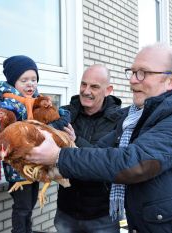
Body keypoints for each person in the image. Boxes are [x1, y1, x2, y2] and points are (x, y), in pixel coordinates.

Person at [26, 43, 172, 232]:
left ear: (171, 81)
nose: (132, 79)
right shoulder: (134, 118)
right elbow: (100, 152)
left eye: (143, 73)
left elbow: (135, 162)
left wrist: (60, 156)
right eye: (132, 72)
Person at [0, 55, 70, 233]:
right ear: (13, 82)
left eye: (34, 79)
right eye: (24, 80)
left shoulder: (37, 101)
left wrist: (58, 121)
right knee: (22, 208)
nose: (30, 84)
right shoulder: (9, 102)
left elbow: (61, 114)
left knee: (30, 206)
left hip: (37, 163)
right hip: (19, 166)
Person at [55, 64, 123, 232]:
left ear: (108, 90)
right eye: (83, 84)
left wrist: (75, 140)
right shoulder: (64, 114)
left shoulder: (120, 121)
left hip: (102, 215)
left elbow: (107, 160)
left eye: (94, 86)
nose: (86, 91)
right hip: (66, 210)